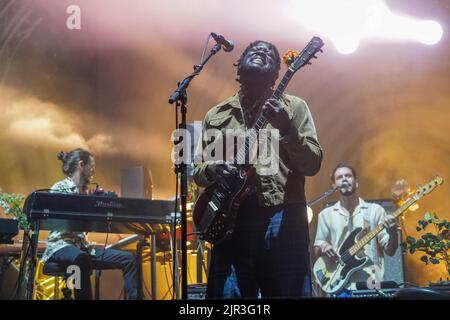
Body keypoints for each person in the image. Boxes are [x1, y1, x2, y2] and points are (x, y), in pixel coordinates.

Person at [193, 40, 323, 298]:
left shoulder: (294, 108)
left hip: (282, 215)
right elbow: (198, 171)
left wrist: (287, 129)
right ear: (239, 66)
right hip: (231, 220)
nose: (261, 53)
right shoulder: (217, 114)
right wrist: (214, 169)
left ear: (277, 72)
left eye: (269, 54)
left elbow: (313, 164)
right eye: (254, 51)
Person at [41, 148, 139, 300]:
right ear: (81, 165)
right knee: (82, 259)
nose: (94, 171)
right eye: (91, 166)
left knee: (129, 259)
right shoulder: (59, 188)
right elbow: (62, 219)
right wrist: (88, 201)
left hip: (82, 247)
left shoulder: (86, 192)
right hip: (61, 245)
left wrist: (103, 203)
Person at [314, 164, 399, 291]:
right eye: (339, 177)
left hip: (371, 284)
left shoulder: (375, 211)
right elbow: (317, 250)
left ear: (356, 182)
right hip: (339, 285)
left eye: (348, 176)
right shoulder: (325, 215)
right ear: (334, 186)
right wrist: (323, 247)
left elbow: (390, 251)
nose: (344, 179)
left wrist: (393, 233)